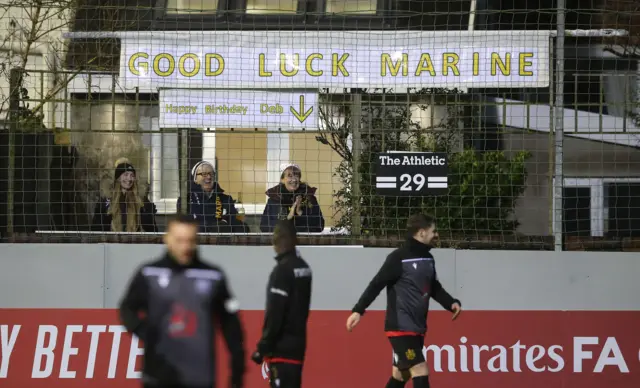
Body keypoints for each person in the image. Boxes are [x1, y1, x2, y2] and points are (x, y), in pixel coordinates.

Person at [118, 214, 246, 388]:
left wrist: (237, 368)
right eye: (179, 240)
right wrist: (146, 333)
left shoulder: (213, 276)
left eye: (190, 240)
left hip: (199, 375)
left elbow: (230, 322)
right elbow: (127, 308)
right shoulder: (149, 273)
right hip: (158, 374)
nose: (185, 247)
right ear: (167, 239)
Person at [345, 214, 462, 388]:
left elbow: (433, 287)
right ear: (422, 233)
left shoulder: (428, 259)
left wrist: (450, 303)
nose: (436, 235)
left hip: (417, 327)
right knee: (420, 370)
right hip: (400, 328)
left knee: (401, 374)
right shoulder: (398, 258)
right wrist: (358, 310)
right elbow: (377, 283)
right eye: (433, 231)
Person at [251, 220, 312, 388]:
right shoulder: (304, 268)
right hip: (298, 346)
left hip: (281, 349)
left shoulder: (281, 271)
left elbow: (275, 313)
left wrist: (263, 346)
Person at [177, 161, 250, 233]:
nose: (209, 177)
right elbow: (186, 226)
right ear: (195, 178)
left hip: (221, 241)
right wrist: (215, 226)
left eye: (211, 174)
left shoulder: (225, 199)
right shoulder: (185, 200)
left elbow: (233, 223)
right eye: (204, 174)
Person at [92, 157, 158, 232]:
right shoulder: (106, 202)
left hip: (134, 241)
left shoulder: (142, 202)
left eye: (132, 175)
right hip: (112, 242)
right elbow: (96, 229)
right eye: (126, 175)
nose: (129, 179)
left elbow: (152, 230)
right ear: (118, 178)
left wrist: (148, 213)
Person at [260, 163, 324, 233]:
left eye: (296, 175)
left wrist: (300, 213)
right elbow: (264, 226)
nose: (294, 180)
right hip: (281, 241)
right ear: (282, 179)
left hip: (305, 241)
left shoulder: (309, 198)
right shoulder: (274, 199)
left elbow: (319, 226)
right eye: (289, 176)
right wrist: (288, 217)